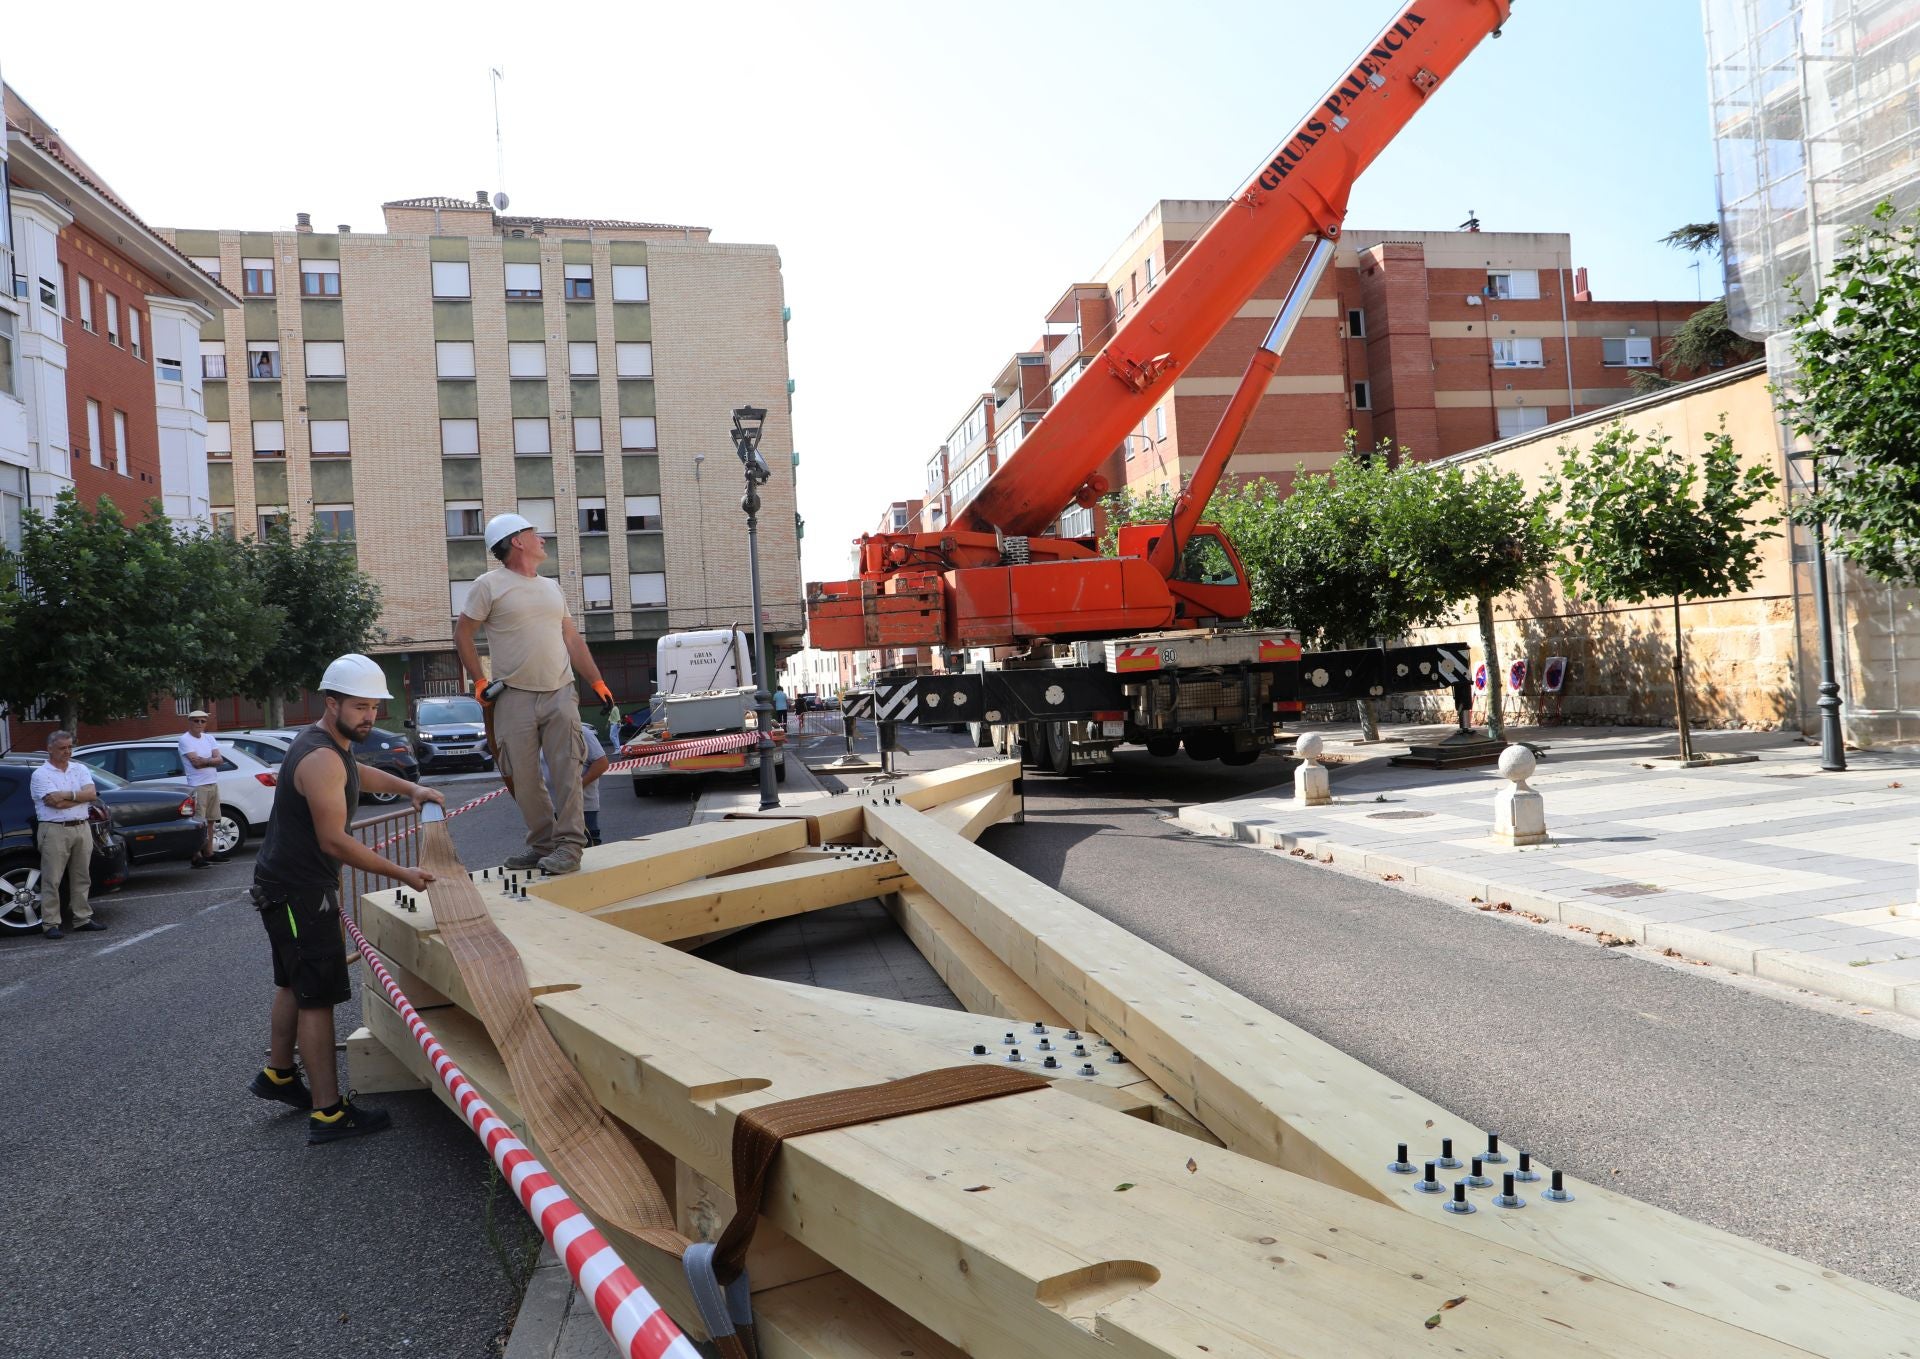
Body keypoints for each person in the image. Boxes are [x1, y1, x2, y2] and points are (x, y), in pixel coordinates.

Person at [247, 653, 443, 1144]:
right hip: (300, 893)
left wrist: (409, 788)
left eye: (375, 707)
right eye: (359, 706)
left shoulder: (330, 747)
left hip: (286, 886)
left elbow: (356, 774)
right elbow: (334, 840)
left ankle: (278, 1075)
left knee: (295, 984)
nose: (369, 717)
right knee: (318, 997)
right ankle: (329, 1113)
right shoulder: (318, 757)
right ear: (330, 702)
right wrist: (402, 872)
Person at [455, 513, 614, 876]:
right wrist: (480, 681)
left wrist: (598, 682)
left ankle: (570, 847)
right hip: (514, 698)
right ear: (516, 540)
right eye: (533, 532)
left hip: (560, 691)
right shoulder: (488, 585)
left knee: (567, 772)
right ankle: (544, 845)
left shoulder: (552, 587)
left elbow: (571, 639)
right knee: (524, 779)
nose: (541, 538)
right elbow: (463, 634)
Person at [29, 731, 105, 939]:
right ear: (50, 749)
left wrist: (67, 795)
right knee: (52, 878)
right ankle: (51, 923)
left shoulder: (79, 768)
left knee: (82, 875)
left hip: (81, 826)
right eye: (62, 748)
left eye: (69, 747)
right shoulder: (41, 774)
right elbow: (56, 804)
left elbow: (91, 794)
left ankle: (82, 918)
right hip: (55, 829)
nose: (67, 752)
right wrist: (80, 797)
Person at [544, 721, 610, 847]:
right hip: (554, 808)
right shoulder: (543, 736)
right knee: (558, 851)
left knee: (588, 852)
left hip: (581, 808)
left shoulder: (581, 732)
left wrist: (575, 788)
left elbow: (602, 763)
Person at [178, 708, 223, 868]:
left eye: (202, 721)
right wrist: (211, 760)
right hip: (197, 786)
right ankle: (196, 856)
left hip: (212, 783)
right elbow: (195, 764)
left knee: (211, 821)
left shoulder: (209, 738)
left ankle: (209, 853)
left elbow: (220, 759)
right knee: (198, 823)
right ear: (189, 722)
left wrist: (205, 760)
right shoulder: (185, 740)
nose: (199, 723)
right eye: (195, 720)